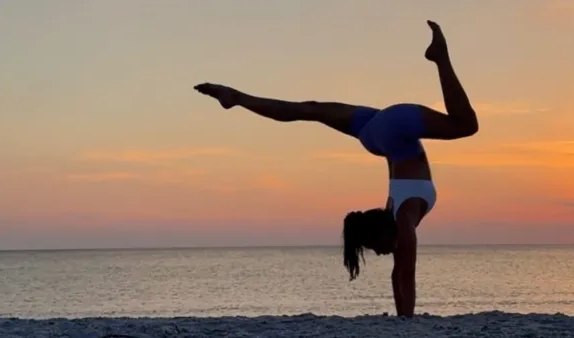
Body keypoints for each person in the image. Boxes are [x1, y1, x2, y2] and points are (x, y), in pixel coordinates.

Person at [193, 20, 478, 317]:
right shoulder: (402, 217)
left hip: (386, 130)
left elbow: (402, 274)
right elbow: (402, 274)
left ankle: (236, 97)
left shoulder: (404, 218)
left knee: (311, 109)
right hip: (381, 132)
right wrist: (404, 321)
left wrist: (404, 319)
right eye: (374, 248)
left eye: (372, 247)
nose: (379, 252)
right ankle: (235, 97)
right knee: (310, 109)